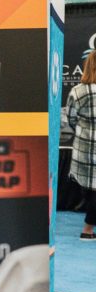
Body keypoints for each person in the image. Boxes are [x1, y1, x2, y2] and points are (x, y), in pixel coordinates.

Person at [67, 52, 96, 240]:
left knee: (92, 190)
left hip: (84, 149)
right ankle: (87, 230)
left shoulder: (77, 91)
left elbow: (71, 119)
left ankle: (88, 229)